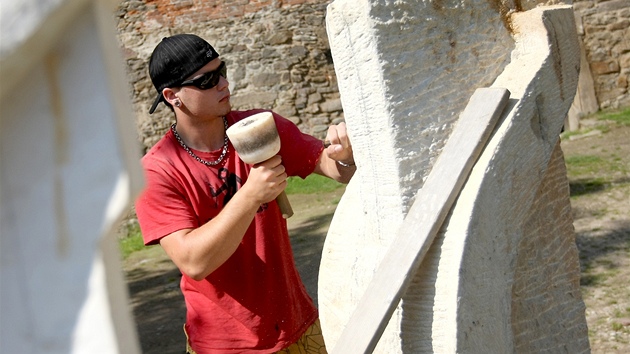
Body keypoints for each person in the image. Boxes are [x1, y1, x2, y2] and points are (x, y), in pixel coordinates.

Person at [135, 33, 355, 354]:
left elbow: (336, 170)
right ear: (172, 96)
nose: (223, 83)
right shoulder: (157, 170)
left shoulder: (258, 127)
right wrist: (251, 195)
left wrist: (344, 154)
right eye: (207, 80)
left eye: (222, 70)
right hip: (227, 346)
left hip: (299, 326)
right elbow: (194, 262)